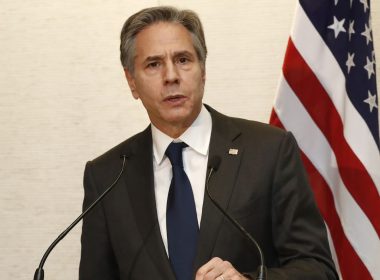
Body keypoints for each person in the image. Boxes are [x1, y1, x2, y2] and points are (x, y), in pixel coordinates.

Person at [79, 6, 338, 280]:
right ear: (131, 81)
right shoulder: (107, 176)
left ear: (202, 69)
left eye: (183, 60)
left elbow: (318, 269)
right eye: (153, 64)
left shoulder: (269, 151)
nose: (171, 76)